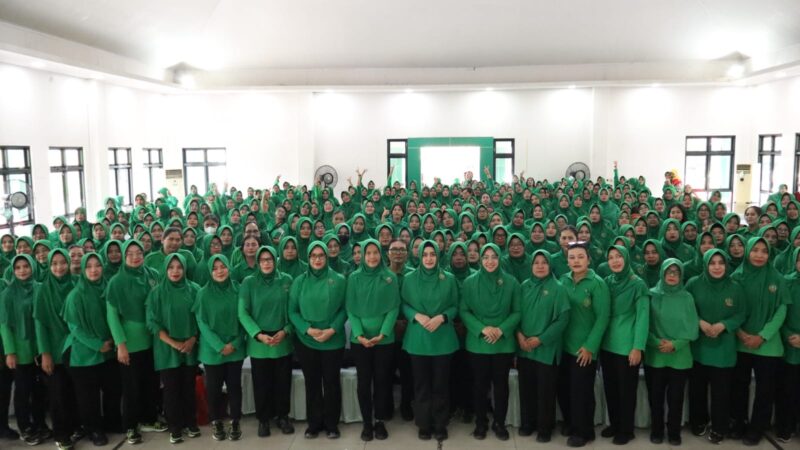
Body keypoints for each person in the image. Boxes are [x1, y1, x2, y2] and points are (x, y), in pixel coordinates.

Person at [730, 237, 790, 445]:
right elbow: (730, 309)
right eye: (755, 250)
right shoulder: (736, 277)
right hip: (741, 341)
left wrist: (762, 335)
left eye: (764, 251)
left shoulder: (777, 278)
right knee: (739, 386)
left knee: (765, 390)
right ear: (747, 252)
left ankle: (757, 428)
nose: (759, 255)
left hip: (768, 344)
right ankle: (738, 423)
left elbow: (782, 309)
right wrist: (740, 333)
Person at [106, 240, 166, 444]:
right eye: (130, 253)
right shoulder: (116, 282)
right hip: (130, 343)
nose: (135, 257)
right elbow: (112, 316)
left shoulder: (152, 275)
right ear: (124, 256)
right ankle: (130, 426)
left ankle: (149, 419)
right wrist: (120, 345)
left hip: (153, 339)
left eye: (138, 252)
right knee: (131, 387)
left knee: (151, 383)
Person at [460, 243, 521, 441]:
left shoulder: (511, 282)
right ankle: (480, 422)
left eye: (494, 257)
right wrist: (482, 329)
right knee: (479, 385)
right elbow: (464, 310)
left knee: (501, 386)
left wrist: (501, 329)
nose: (490, 261)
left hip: (503, 343)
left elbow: (517, 311)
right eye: (485, 257)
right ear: (480, 259)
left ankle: (499, 423)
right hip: (478, 343)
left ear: (500, 258)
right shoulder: (469, 282)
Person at [401, 240, 459, 441]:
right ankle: (424, 423)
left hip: (442, 339)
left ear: (438, 256)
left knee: (441, 385)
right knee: (421, 385)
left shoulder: (449, 279)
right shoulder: (409, 279)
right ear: (419, 256)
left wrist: (442, 317)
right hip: (418, 338)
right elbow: (403, 304)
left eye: (432, 254)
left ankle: (440, 423)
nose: (428, 258)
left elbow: (455, 306)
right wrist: (416, 315)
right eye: (425, 254)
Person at [685, 248, 744, 444]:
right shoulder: (693, 284)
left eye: (721, 263)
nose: (717, 267)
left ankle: (719, 426)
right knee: (697, 389)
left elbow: (741, 313)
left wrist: (724, 325)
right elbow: (686, 309)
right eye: (712, 263)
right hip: (699, 346)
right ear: (705, 264)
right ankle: (698, 421)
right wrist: (699, 322)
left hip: (724, 347)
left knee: (721, 391)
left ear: (726, 265)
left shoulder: (735, 287)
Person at [289, 242, 347, 439]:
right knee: (312, 383)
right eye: (313, 255)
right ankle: (314, 423)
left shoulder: (339, 280)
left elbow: (345, 308)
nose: (317, 259)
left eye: (321, 255)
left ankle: (332, 424)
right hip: (307, 340)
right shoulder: (299, 282)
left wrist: (332, 329)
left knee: (331, 383)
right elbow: (292, 311)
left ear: (327, 257)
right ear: (308, 258)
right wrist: (307, 329)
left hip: (333, 339)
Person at [63, 253, 122, 446]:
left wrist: (113, 340)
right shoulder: (75, 295)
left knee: (113, 388)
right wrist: (98, 345)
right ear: (82, 269)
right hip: (83, 353)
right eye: (88, 266)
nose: (94, 270)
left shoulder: (108, 288)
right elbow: (75, 327)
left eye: (97, 265)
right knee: (88, 396)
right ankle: (93, 429)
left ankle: (112, 422)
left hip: (108, 350)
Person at [345, 239, 400, 441]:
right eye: (367, 253)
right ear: (362, 255)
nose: (372, 257)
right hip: (360, 341)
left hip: (384, 340)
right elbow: (351, 308)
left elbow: (394, 307)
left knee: (382, 381)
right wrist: (359, 335)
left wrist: (383, 334)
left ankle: (380, 421)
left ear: (381, 254)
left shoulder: (390, 277)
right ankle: (367, 423)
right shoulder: (354, 278)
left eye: (375, 252)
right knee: (364, 382)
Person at [237, 246, 295, 437]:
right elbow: (243, 312)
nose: (266, 263)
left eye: (269, 259)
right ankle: (263, 420)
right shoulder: (249, 282)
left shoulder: (286, 280)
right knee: (261, 383)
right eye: (262, 260)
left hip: (282, 339)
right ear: (257, 262)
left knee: (283, 382)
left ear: (276, 260)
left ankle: (283, 417)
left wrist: (285, 331)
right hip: (259, 341)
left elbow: (293, 309)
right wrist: (258, 334)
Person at [557, 242, 610, 448]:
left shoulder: (597, 284)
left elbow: (602, 318)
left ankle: (584, 431)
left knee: (582, 391)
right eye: (572, 257)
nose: (576, 261)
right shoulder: (563, 280)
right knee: (565, 388)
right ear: (567, 261)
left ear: (588, 259)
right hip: (563, 345)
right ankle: (571, 422)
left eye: (580, 257)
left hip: (584, 348)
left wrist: (590, 347)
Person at [145, 253, 202, 444]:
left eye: (179, 267)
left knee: (188, 387)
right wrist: (174, 343)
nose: (175, 271)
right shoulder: (156, 293)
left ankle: (190, 423)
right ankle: (175, 427)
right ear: (165, 269)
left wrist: (192, 339)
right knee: (171, 390)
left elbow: (201, 318)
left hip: (189, 347)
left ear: (185, 269)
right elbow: (152, 322)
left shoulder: (194, 290)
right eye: (171, 267)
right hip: (166, 348)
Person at [516, 250, 570, 443]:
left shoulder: (558, 288)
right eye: (536, 262)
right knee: (526, 388)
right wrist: (519, 335)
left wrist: (541, 339)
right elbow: (516, 313)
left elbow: (563, 319)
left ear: (550, 265)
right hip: (525, 347)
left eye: (544, 262)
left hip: (547, 348)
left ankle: (544, 428)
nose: (540, 266)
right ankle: (527, 423)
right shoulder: (524, 286)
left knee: (545, 391)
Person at [644, 259, 699, 445]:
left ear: (681, 275)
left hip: (679, 356)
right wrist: (656, 342)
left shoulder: (687, 297)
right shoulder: (651, 294)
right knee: (656, 397)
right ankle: (657, 430)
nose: (672, 275)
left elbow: (692, 328)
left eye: (676, 272)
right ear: (662, 273)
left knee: (676, 398)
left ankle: (674, 432)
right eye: (669, 271)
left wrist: (675, 344)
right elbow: (644, 324)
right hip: (656, 355)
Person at [599, 245, 649, 445]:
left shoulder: (638, 284)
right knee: (610, 387)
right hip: (607, 344)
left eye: (619, 256)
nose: (615, 260)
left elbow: (643, 317)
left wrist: (638, 347)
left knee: (626, 390)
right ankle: (615, 424)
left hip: (627, 346)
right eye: (611, 257)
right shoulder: (607, 282)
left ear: (626, 258)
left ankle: (626, 430)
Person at [195, 254, 246, 441]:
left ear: (229, 268)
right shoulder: (203, 293)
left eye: (223, 266)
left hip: (235, 348)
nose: (219, 271)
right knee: (213, 388)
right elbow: (202, 323)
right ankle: (216, 421)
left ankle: (235, 421)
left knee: (234, 386)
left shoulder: (239, 290)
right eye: (215, 268)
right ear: (210, 271)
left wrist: (235, 343)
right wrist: (219, 345)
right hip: (211, 350)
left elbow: (245, 318)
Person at [34, 249, 81, 449]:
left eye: (63, 262)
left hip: (76, 348)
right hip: (54, 350)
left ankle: (76, 427)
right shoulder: (43, 290)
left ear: (69, 263)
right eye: (54, 263)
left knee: (75, 392)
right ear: (49, 265)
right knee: (58, 394)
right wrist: (45, 354)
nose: (59, 267)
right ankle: (61, 434)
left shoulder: (76, 283)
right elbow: (40, 325)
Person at [0, 254, 49, 445]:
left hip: (40, 347)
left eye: (26, 266)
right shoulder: (7, 293)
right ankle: (25, 428)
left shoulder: (40, 288)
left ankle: (40, 424)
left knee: (40, 391)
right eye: (18, 267)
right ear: (13, 270)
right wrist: (10, 352)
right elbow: (4, 325)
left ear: (32, 267)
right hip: (20, 351)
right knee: (23, 391)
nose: (22, 271)